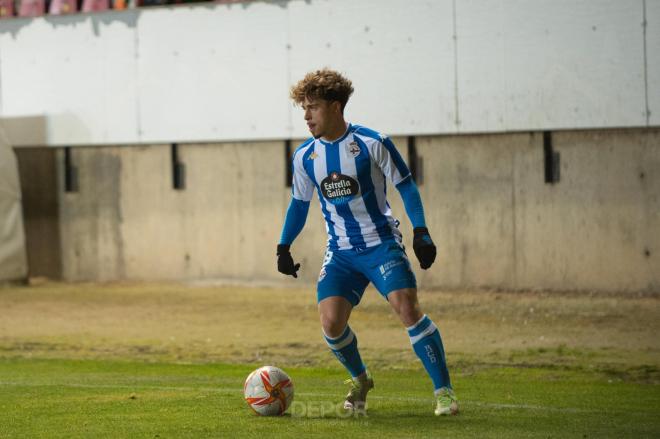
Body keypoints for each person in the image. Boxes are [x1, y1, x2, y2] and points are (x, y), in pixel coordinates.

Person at [276, 68, 458, 416]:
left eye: (312, 107)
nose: (306, 116)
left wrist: (421, 232)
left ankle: (444, 392)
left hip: (381, 244)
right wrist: (283, 246)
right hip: (341, 252)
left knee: (406, 307)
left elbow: (405, 184)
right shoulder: (304, 156)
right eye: (304, 108)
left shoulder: (372, 142)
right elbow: (299, 204)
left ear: (335, 106)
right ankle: (360, 379)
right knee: (330, 322)